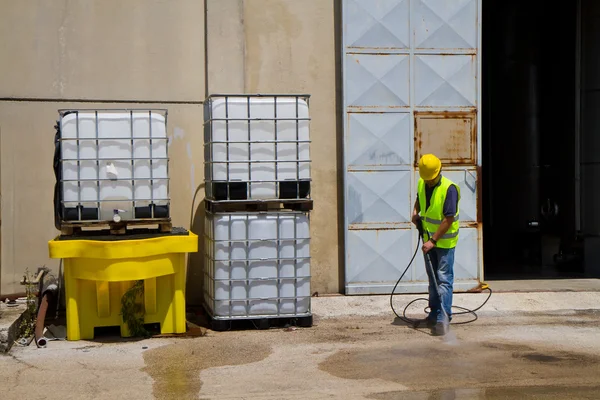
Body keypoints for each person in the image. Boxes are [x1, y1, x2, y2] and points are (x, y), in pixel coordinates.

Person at [412, 154, 460, 336]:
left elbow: (448, 219)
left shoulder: (449, 189)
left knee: (443, 279)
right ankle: (434, 314)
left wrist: (433, 241)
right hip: (428, 239)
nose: (429, 182)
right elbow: (419, 200)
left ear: (439, 172)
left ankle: (443, 319)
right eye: (427, 179)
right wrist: (415, 213)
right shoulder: (422, 183)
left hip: (444, 241)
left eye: (431, 179)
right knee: (433, 280)